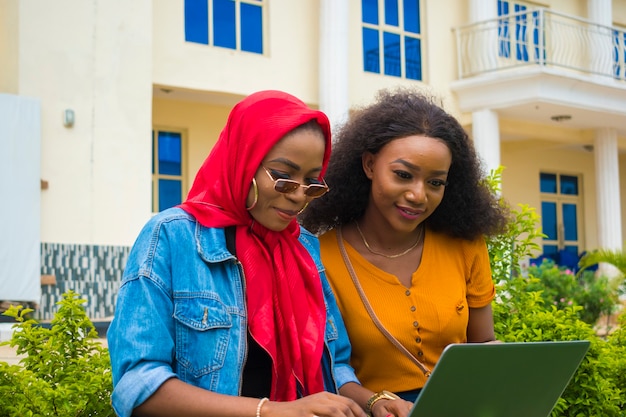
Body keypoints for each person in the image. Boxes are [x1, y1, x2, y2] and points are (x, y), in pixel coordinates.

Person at [107, 90, 403, 417]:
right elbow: (137, 385)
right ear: (244, 159)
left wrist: (374, 401)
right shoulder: (171, 237)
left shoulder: (304, 247)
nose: (299, 196)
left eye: (312, 182)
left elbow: (335, 365)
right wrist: (270, 411)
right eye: (283, 177)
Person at [300, 88, 509, 410]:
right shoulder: (319, 257)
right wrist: (376, 401)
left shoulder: (465, 245)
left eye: (435, 182)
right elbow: (328, 370)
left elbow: (483, 343)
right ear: (369, 165)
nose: (418, 195)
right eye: (403, 175)